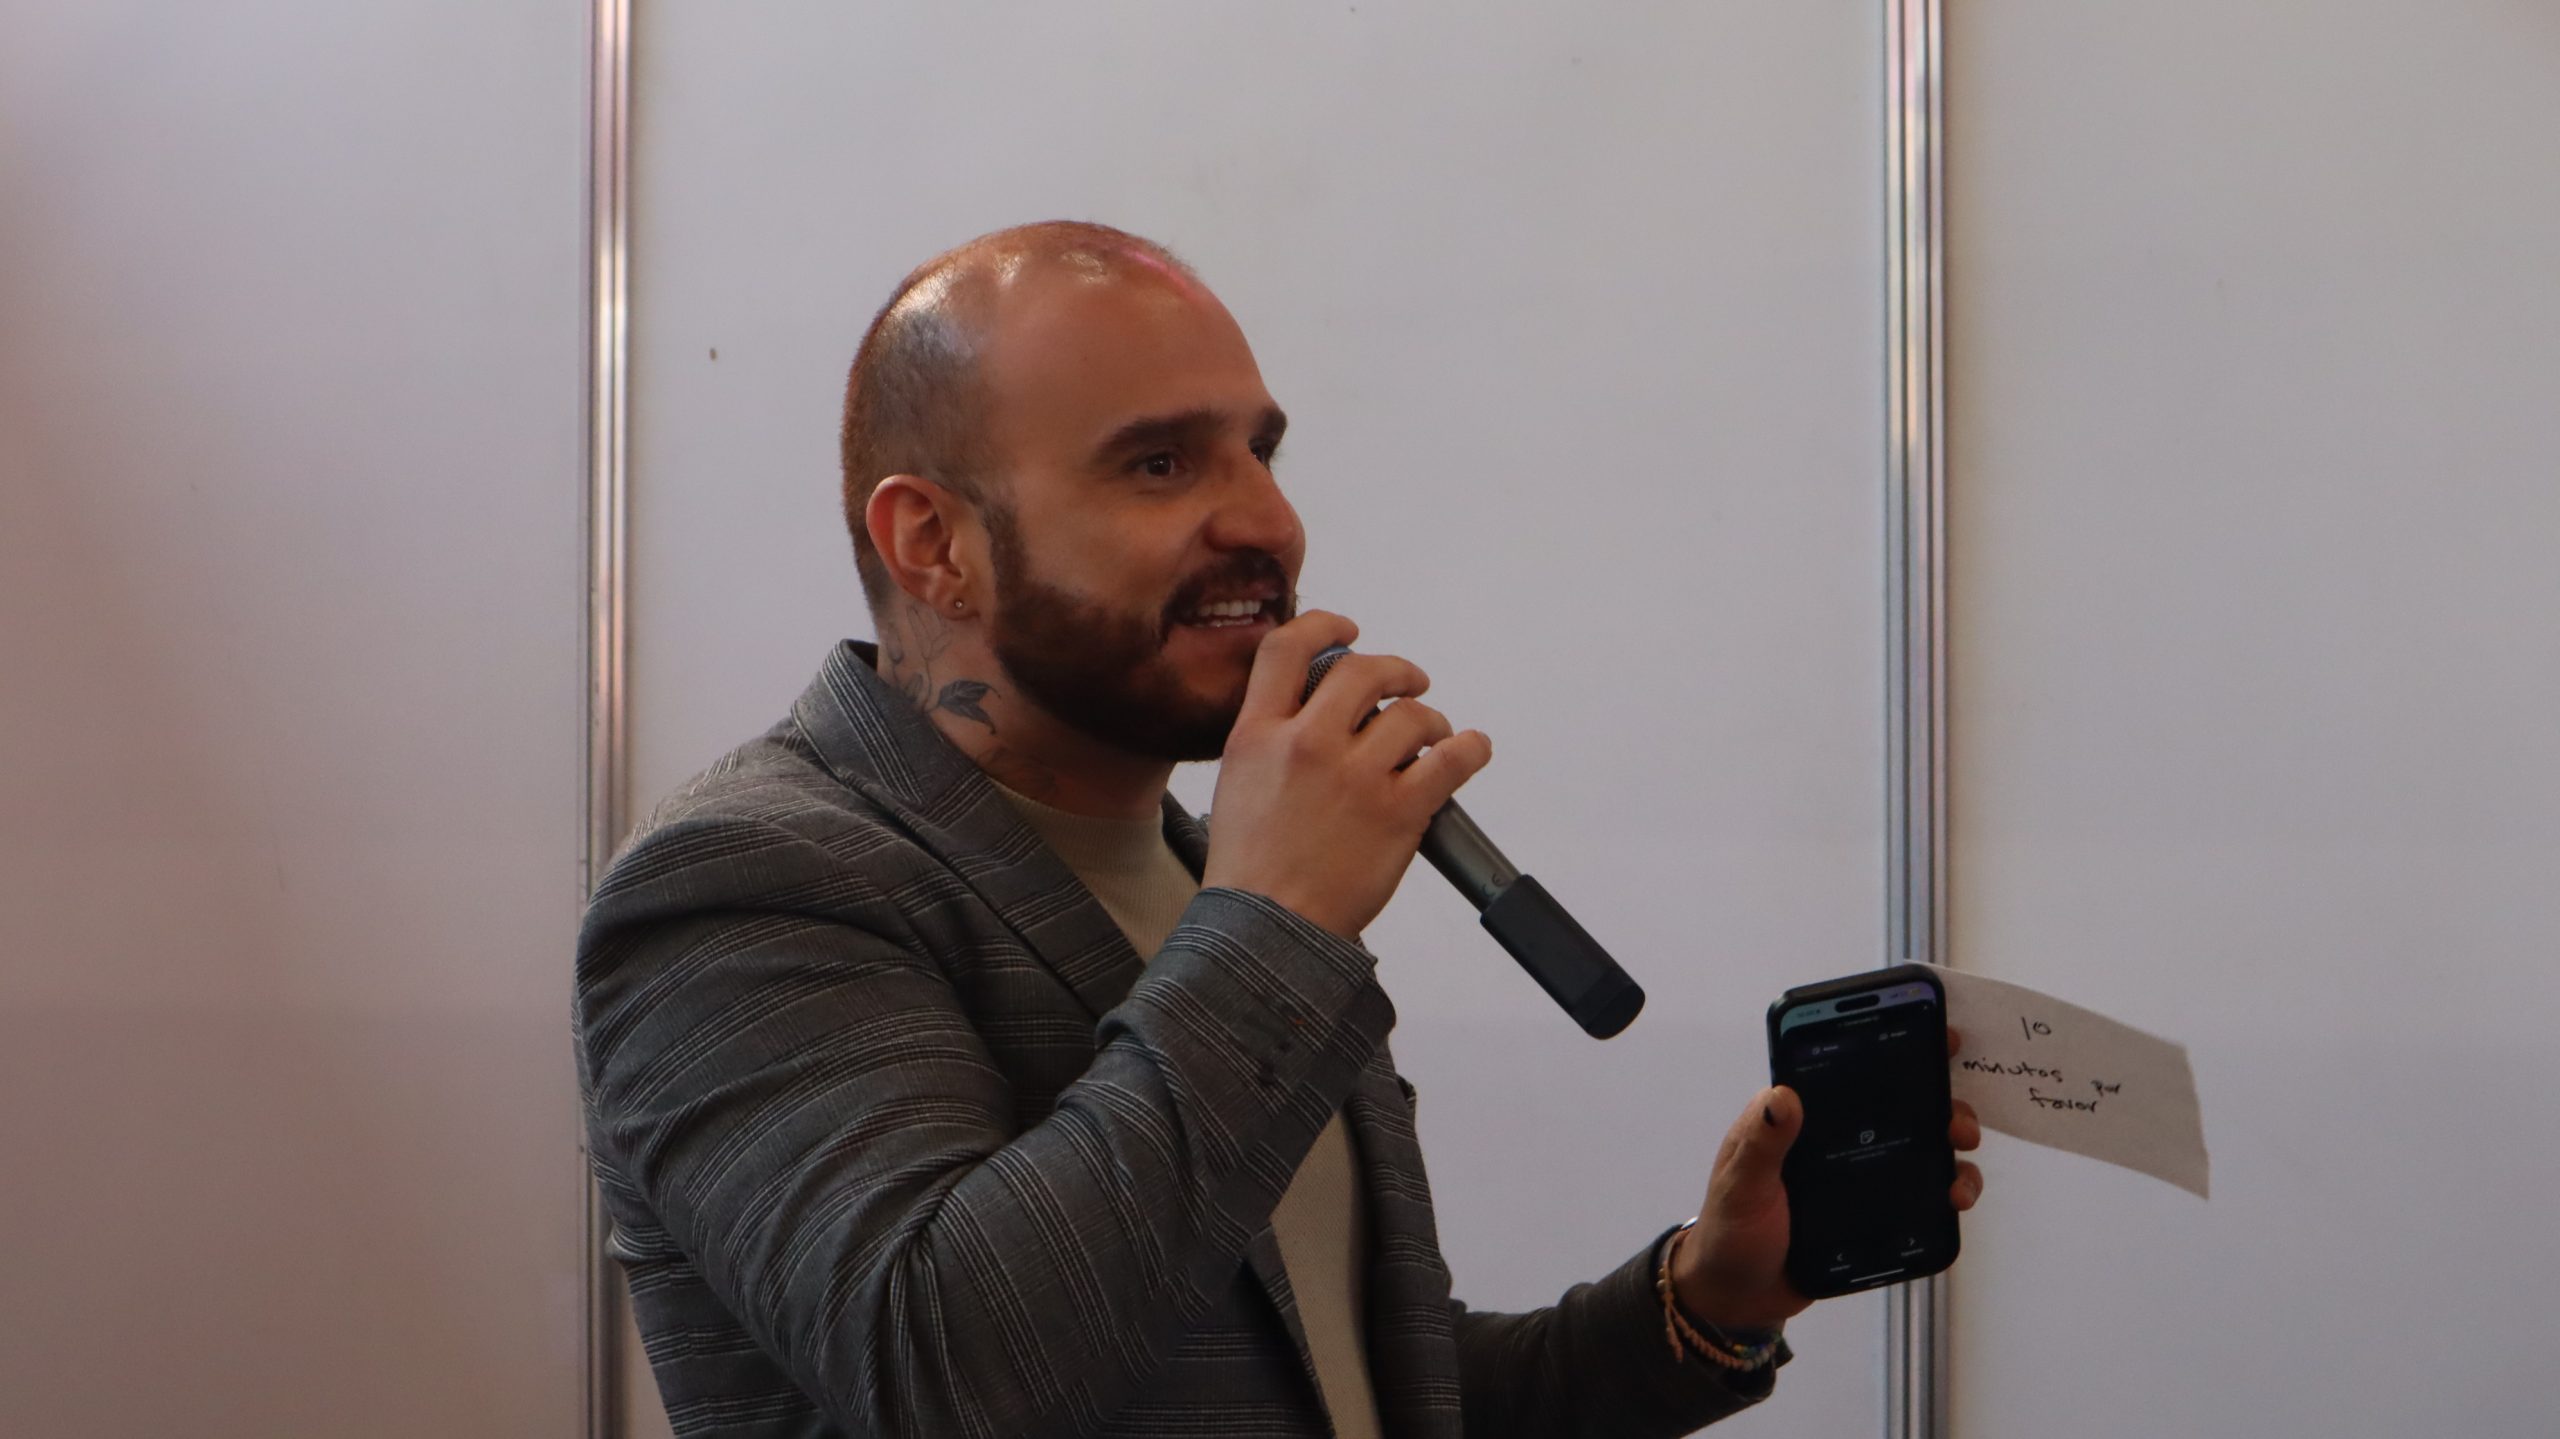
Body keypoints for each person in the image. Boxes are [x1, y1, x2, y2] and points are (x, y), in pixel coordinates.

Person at [574, 221, 1985, 1439]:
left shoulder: (1204, 878)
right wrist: (1280, 924)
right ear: (933, 544)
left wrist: (1703, 1301)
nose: (1267, 520)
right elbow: (950, 1369)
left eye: (1260, 451)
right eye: (1157, 466)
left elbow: (1352, 1390)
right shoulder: (750, 881)